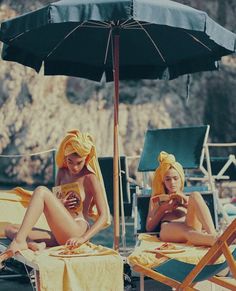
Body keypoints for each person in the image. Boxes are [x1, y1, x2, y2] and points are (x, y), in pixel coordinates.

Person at [1, 129, 111, 259]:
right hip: (59, 233)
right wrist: (61, 203)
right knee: (10, 229)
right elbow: (55, 205)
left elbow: (104, 216)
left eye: (79, 162)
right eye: (70, 161)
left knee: (41, 191)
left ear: (86, 158)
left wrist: (83, 238)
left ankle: (19, 242)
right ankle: (31, 244)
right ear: (65, 157)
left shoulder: (90, 178)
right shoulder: (62, 173)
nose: (74, 167)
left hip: (77, 229)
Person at [146, 151, 217, 246]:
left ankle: (214, 236)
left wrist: (184, 202)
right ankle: (215, 240)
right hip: (169, 227)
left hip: (191, 225)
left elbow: (198, 215)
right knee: (187, 231)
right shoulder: (156, 200)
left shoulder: (189, 198)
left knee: (195, 194)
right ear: (163, 181)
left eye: (175, 178)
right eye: (168, 179)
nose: (172, 182)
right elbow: (149, 228)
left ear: (181, 179)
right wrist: (163, 209)